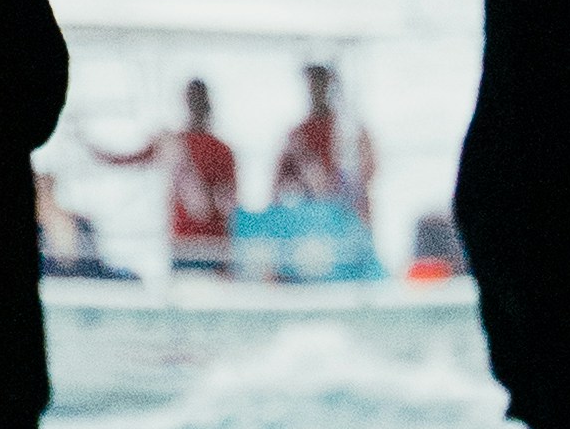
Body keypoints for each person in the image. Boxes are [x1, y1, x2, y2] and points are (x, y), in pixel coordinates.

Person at [90, 76, 238, 271]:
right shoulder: (217, 149)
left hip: (201, 245)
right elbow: (230, 204)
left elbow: (124, 159)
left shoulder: (176, 144)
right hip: (200, 245)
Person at [272, 60, 375, 235]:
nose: (318, 92)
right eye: (314, 86)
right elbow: (277, 189)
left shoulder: (351, 131)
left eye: (322, 84)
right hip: (311, 225)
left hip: (350, 222)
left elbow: (367, 173)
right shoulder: (299, 135)